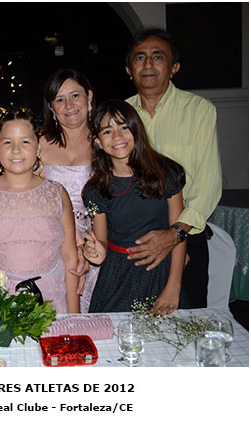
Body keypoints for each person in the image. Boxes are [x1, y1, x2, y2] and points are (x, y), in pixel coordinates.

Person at [124, 27, 222, 308]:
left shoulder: (199, 110)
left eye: (158, 57)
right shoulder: (121, 116)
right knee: (134, 321)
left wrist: (175, 234)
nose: (148, 64)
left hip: (186, 234)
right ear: (129, 70)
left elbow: (209, 185)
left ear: (173, 67)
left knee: (186, 322)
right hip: (135, 241)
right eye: (140, 58)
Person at [0, 109, 80, 314]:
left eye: (25, 141)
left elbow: (69, 257)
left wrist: (74, 315)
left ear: (38, 147)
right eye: (7, 142)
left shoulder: (57, 193)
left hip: (51, 300)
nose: (16, 150)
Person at [83, 100, 188, 314]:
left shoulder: (167, 174)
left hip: (160, 271)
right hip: (116, 276)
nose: (117, 136)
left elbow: (178, 234)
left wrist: (173, 287)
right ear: (98, 142)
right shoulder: (96, 189)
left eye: (124, 127)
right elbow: (101, 241)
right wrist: (96, 250)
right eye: (107, 131)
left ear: (137, 130)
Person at [40, 68, 99, 313]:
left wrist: (87, 248)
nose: (69, 105)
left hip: (98, 247)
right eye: (60, 99)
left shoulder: (106, 141)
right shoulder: (38, 144)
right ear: (51, 108)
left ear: (89, 97)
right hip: (50, 246)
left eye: (75, 95)